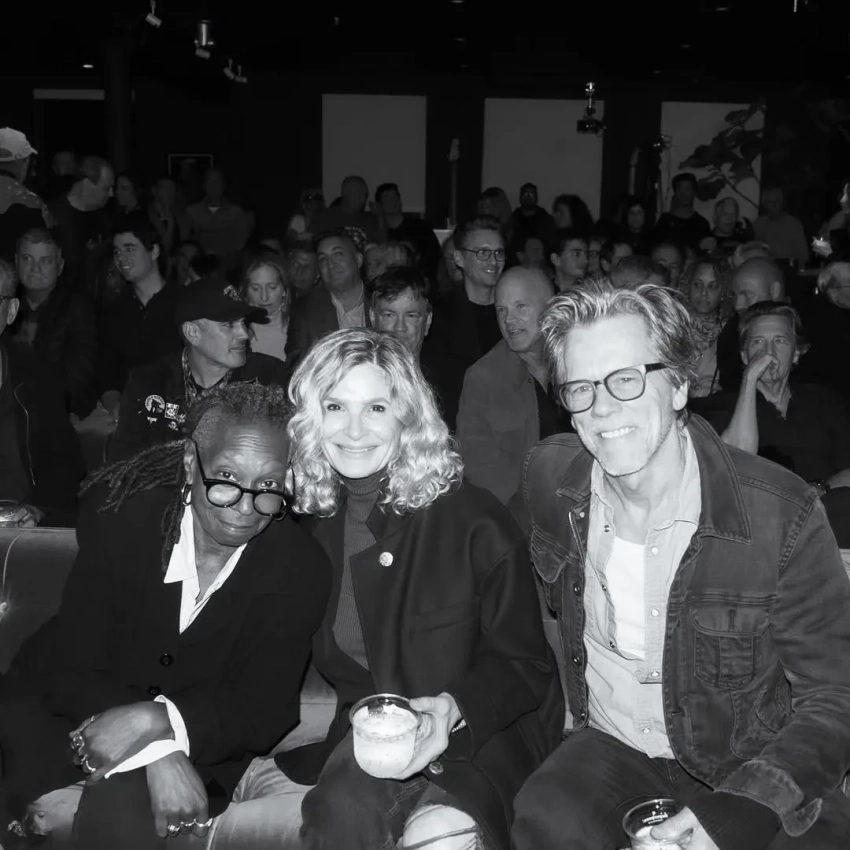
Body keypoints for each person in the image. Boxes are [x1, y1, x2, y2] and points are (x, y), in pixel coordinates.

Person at [511, 279, 850, 850]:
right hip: (615, 747)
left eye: (626, 378)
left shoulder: (779, 514)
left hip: (750, 755)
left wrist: (749, 804)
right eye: (581, 388)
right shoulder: (550, 479)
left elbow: (836, 693)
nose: (602, 407)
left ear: (677, 385)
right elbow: (545, 604)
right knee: (544, 817)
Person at [0, 383, 332, 849]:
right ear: (190, 463)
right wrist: (159, 748)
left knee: (123, 819)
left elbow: (263, 708)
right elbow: (73, 664)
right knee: (64, 815)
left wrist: (157, 720)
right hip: (66, 714)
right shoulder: (122, 520)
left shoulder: (300, 568)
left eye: (268, 487)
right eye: (225, 477)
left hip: (204, 748)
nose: (244, 506)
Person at [275, 329, 563, 850]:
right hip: (376, 737)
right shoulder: (311, 527)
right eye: (335, 406)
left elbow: (526, 663)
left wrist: (454, 707)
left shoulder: (473, 521)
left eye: (377, 408)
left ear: (407, 417)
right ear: (312, 419)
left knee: (438, 839)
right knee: (336, 821)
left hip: (480, 736)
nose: (354, 430)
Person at [108, 275, 290, 462]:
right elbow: (122, 461)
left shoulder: (269, 378)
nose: (244, 333)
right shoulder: (149, 382)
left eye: (243, 322)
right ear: (193, 333)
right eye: (229, 325)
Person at [457, 267, 562, 504]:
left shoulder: (579, 362)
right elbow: (478, 462)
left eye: (520, 306)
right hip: (522, 513)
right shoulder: (484, 378)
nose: (508, 320)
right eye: (501, 310)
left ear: (550, 307)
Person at [684, 258, 728, 397]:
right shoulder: (672, 324)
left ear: (724, 291)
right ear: (688, 286)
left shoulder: (730, 331)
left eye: (712, 286)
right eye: (697, 284)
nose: (703, 292)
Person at [241, 253, 292, 363]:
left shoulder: (299, 327)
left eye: (272, 287)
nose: (264, 297)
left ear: (284, 291)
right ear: (246, 292)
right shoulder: (236, 332)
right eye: (256, 288)